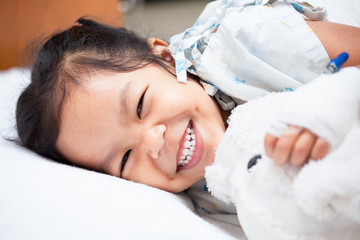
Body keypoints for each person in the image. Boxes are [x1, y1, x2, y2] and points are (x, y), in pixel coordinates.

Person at [16, 1, 359, 230]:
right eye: (123, 159)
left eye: (140, 105)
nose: (153, 142)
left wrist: (330, 109)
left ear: (164, 56)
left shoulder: (254, 42)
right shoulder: (204, 203)